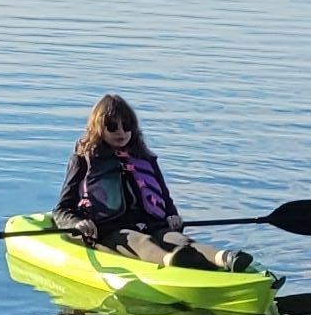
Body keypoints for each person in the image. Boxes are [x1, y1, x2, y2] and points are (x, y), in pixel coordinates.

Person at [53, 96, 246, 267]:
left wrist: (173, 216)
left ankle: (224, 258)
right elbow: (61, 210)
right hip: (109, 231)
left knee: (178, 239)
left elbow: (165, 198)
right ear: (98, 128)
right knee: (141, 242)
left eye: (127, 125)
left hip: (151, 225)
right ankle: (171, 262)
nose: (121, 131)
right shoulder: (82, 161)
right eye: (112, 126)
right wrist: (77, 223)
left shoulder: (145, 160)